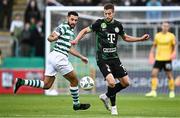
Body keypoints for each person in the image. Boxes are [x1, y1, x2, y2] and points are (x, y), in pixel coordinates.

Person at [71, 3, 149, 115]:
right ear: (104, 13)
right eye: (105, 13)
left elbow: (126, 37)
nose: (107, 15)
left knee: (126, 83)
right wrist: (76, 40)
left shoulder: (118, 25)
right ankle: (114, 107)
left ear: (113, 13)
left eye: (109, 13)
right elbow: (84, 31)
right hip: (102, 58)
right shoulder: (99, 23)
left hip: (115, 58)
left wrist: (140, 39)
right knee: (112, 82)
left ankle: (105, 96)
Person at [13, 11, 91, 111]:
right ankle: (76, 105)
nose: (73, 22)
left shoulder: (70, 31)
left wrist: (81, 57)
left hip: (53, 57)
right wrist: (53, 38)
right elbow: (50, 37)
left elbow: (69, 48)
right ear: (67, 18)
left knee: (47, 85)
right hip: (59, 57)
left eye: (76, 20)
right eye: (72, 19)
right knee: (74, 80)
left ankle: (21, 81)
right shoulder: (63, 27)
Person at [146, 21, 176, 98]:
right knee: (153, 74)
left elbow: (174, 46)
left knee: (169, 75)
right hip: (158, 58)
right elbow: (154, 46)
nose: (165, 27)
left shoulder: (171, 36)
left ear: (168, 27)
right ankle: (153, 91)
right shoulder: (157, 36)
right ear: (161, 26)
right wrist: (151, 54)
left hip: (167, 59)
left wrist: (174, 53)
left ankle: (172, 91)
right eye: (164, 26)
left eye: (167, 26)